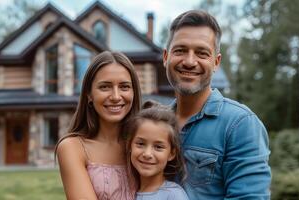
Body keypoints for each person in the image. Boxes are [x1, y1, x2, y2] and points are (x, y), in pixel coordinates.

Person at [163, 10, 271, 199]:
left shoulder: (240, 125)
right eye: (180, 50)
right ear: (166, 57)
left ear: (216, 62)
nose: (189, 61)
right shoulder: (155, 122)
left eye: (201, 53)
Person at [56, 51, 141, 200]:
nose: (115, 96)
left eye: (124, 87)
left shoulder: (143, 146)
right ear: (89, 94)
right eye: (105, 87)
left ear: (134, 92)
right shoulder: (72, 148)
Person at [125, 101, 189, 200]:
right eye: (141, 144)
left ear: (171, 153)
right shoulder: (123, 189)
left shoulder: (174, 195)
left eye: (158, 147)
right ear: (129, 145)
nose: (147, 154)